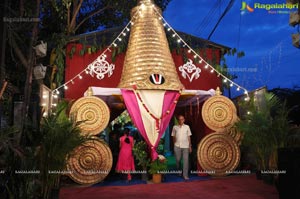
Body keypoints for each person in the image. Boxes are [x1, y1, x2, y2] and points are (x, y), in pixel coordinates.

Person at [171, 115, 192, 180]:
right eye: (179, 119)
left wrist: (190, 146)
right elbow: (173, 136)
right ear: (178, 120)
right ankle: (179, 171)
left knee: (186, 161)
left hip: (186, 146)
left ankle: (185, 175)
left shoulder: (187, 127)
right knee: (178, 160)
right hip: (177, 146)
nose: (181, 121)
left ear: (184, 120)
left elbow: (189, 137)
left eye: (182, 119)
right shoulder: (175, 127)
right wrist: (174, 143)